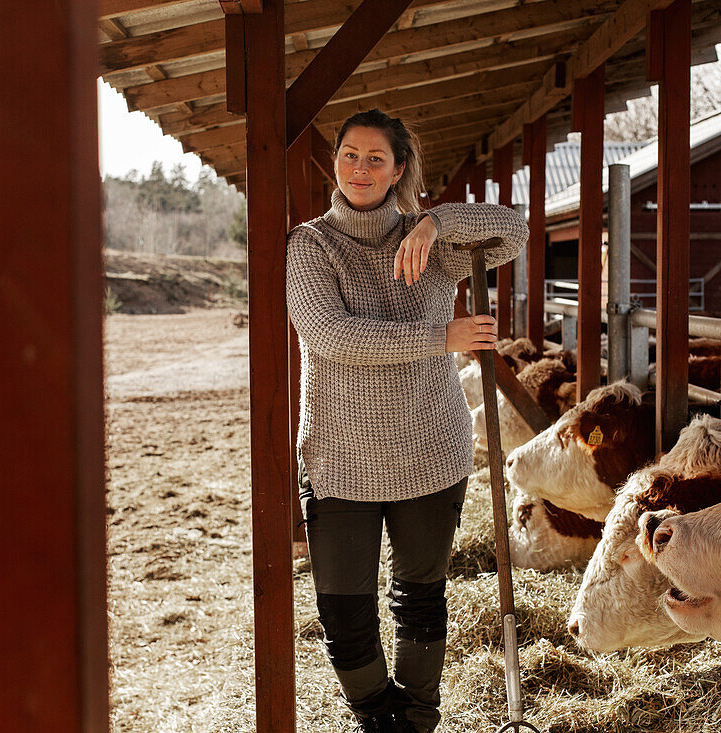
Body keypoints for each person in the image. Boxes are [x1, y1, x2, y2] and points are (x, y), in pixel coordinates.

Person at [285, 108, 528, 732]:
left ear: (397, 171)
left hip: (429, 449)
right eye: (350, 155)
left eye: (376, 158)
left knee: (420, 600)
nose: (360, 168)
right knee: (344, 615)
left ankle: (418, 721)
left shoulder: (434, 239)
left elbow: (514, 231)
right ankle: (378, 717)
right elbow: (330, 335)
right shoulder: (310, 245)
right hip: (341, 457)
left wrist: (436, 222)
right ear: (335, 162)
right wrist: (437, 337)